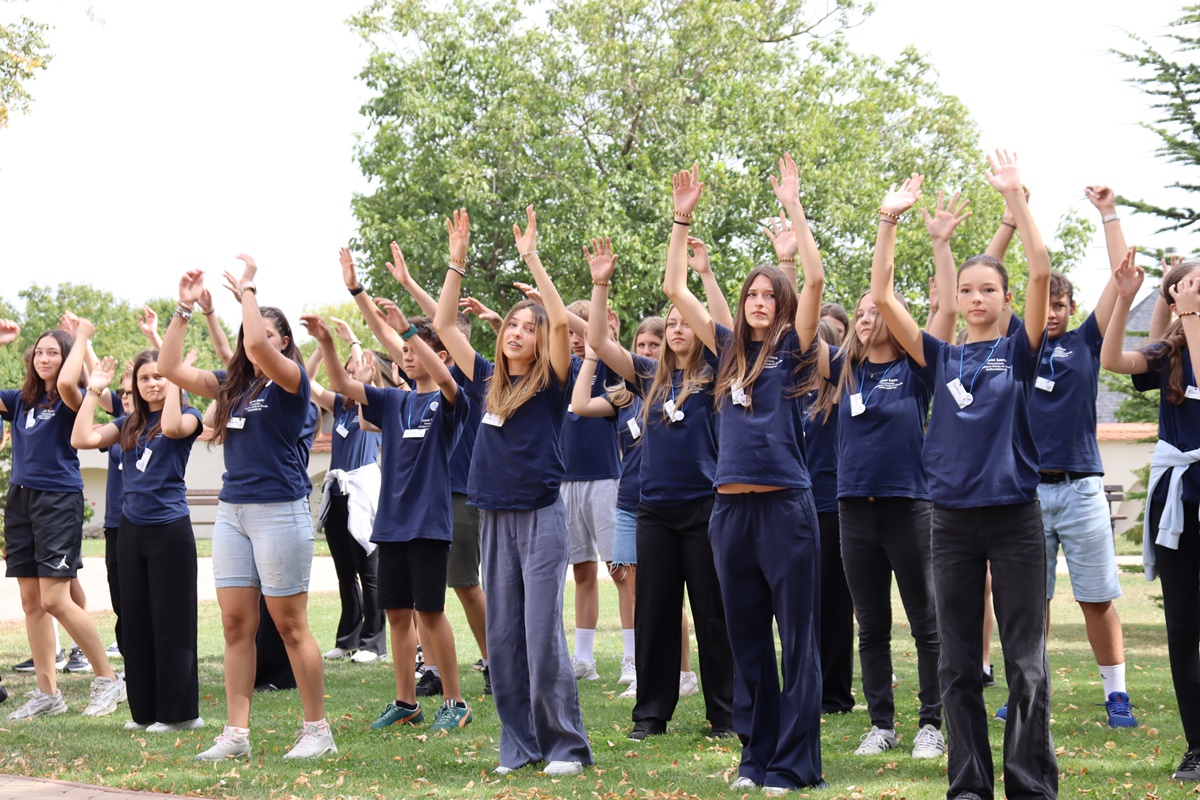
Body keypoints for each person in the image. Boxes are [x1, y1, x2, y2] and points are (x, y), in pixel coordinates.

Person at [869, 151, 1056, 800]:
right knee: (956, 666)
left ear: (1004, 300)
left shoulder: (1019, 351)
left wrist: (1016, 199)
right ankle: (970, 786)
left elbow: (1039, 269)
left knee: (1026, 664)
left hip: (1015, 522)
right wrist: (889, 220)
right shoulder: (938, 357)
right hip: (949, 525)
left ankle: (1029, 785)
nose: (976, 299)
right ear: (956, 298)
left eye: (988, 290)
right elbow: (882, 297)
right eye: (967, 290)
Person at [666, 156, 825, 793]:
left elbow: (815, 277)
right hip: (728, 512)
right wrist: (681, 220)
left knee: (797, 641)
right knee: (746, 641)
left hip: (786, 508)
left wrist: (794, 206)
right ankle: (756, 758)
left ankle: (794, 763)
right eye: (752, 295)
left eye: (769, 296)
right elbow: (676, 288)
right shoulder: (727, 349)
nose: (760, 302)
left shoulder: (794, 347)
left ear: (782, 306)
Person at [433, 206, 593, 777]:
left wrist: (532, 259)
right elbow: (445, 325)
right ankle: (520, 747)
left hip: (542, 515)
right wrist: (457, 262)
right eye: (511, 326)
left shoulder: (551, 380)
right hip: (495, 516)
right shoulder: (485, 378)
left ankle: (565, 748)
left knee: (541, 635)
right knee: (502, 639)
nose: (518, 333)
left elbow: (562, 324)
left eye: (528, 327)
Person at [159, 257, 335, 761]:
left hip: (280, 510)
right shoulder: (233, 386)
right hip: (233, 511)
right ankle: (236, 734)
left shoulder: (292, 382)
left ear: (284, 342)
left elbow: (256, 344)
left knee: (290, 625)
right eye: (249, 332)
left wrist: (249, 290)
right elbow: (170, 367)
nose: (253, 339)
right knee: (236, 624)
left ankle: (317, 730)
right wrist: (183, 309)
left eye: (267, 333)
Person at [816, 191, 968, 759]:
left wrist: (925, 237)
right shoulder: (842, 369)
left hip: (910, 508)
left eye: (875, 311)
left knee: (926, 622)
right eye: (859, 313)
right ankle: (881, 724)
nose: (865, 318)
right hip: (854, 509)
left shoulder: (918, 367)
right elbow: (802, 326)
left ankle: (931, 723)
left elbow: (945, 311)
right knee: (871, 625)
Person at [584, 236, 736, 741]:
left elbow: (726, 330)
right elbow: (599, 343)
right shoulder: (648, 374)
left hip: (704, 509)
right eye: (670, 323)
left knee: (712, 614)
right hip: (654, 512)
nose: (676, 329)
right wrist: (600, 285)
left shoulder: (717, 374)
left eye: (684, 322)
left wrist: (704, 276)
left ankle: (725, 715)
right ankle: (651, 714)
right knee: (655, 615)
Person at [325, 246, 473, 732]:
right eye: (403, 351)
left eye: (414, 349)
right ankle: (406, 702)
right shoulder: (393, 401)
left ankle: (455, 702)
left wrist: (409, 331)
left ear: (440, 355)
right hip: (391, 525)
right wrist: (349, 303)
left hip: (428, 524)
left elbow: (441, 373)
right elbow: (342, 383)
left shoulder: (451, 399)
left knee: (430, 613)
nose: (405, 355)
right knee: (396, 613)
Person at [1101, 253, 1200, 780]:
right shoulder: (1170, 353)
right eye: (1189, 286)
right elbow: (1113, 359)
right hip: (1177, 501)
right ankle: (1197, 745)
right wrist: (1127, 299)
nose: (1195, 292)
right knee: (1182, 625)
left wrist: (1187, 312)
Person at [70, 349, 204, 732]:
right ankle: (144, 712)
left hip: (170, 529)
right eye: (144, 378)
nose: (151, 384)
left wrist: (175, 375)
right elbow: (81, 438)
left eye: (158, 376)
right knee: (136, 621)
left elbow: (173, 428)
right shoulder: (128, 423)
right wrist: (93, 391)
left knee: (171, 621)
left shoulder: (188, 416)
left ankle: (180, 715)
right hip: (131, 529)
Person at [1, 321, 126, 721]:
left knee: (55, 599)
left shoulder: (74, 398)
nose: (44, 358)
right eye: (39, 352)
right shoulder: (21, 400)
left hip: (57, 499)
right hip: (21, 498)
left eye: (53, 352)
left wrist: (82, 337)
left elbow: (70, 381)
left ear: (67, 357)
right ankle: (48, 693)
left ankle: (109, 679)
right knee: (31, 602)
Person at [380, 246, 490, 694]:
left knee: (463, 584)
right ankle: (433, 671)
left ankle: (494, 663)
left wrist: (414, 287)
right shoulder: (420, 379)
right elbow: (403, 338)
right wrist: (400, 288)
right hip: (421, 501)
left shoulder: (466, 377)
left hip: (459, 491)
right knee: (424, 596)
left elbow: (440, 328)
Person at [309, 318, 387, 665]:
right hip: (338, 493)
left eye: (356, 370)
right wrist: (320, 345)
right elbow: (307, 383)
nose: (349, 374)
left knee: (369, 572)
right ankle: (348, 639)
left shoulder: (376, 405)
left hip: (362, 493)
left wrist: (353, 339)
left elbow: (364, 376)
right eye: (346, 371)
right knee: (344, 572)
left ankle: (374, 643)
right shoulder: (340, 407)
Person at [801, 319, 855, 717]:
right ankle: (805, 686)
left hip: (831, 506)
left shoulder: (842, 392)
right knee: (802, 604)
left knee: (834, 603)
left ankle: (834, 695)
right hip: (795, 506)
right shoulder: (794, 391)